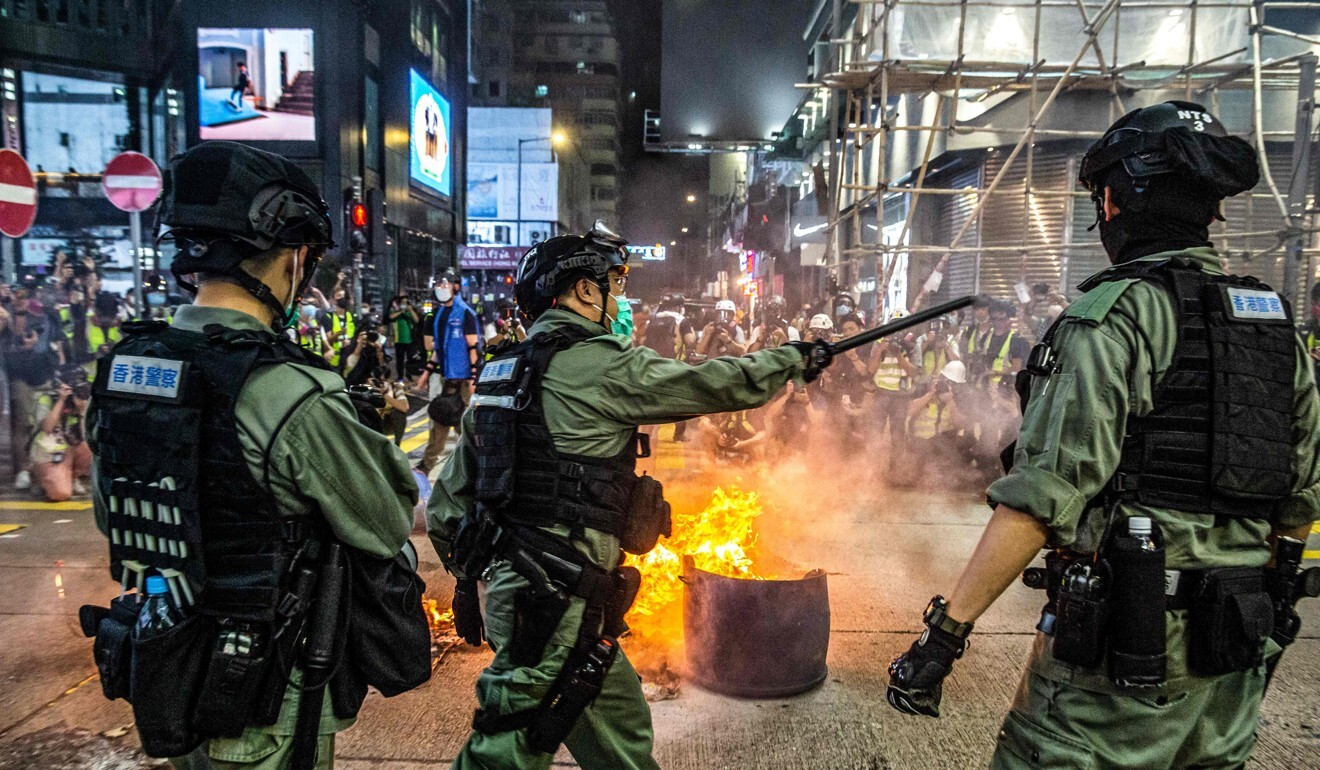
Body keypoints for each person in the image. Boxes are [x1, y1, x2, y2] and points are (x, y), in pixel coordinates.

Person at [886, 102, 1320, 768]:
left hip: (1122, 665)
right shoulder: (1272, 327)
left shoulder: (1110, 318)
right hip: (1232, 662)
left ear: (1118, 201)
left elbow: (1041, 498)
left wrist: (944, 638)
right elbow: (1299, 503)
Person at [427, 221, 831, 770]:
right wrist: (792, 360)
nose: (616, 298)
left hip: (532, 597)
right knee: (505, 747)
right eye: (610, 285)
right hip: (557, 601)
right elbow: (710, 384)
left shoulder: (498, 376)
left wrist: (469, 581)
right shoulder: (601, 364)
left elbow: (448, 505)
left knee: (620, 725)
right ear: (583, 290)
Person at [86, 141, 423, 770]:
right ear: (294, 260)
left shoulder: (125, 368)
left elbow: (114, 517)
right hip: (262, 687)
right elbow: (385, 520)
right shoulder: (289, 390)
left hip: (167, 658)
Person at [419, 268, 480, 472]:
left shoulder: (465, 313)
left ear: (455, 287)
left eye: (445, 284)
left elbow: (473, 348)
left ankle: (427, 468)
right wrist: (426, 374)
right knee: (449, 422)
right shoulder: (440, 314)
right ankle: (426, 469)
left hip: (463, 381)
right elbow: (439, 349)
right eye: (438, 285)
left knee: (453, 423)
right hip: (449, 378)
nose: (441, 288)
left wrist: (472, 379)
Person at [30, 363, 92, 502]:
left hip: (69, 448)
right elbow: (47, 428)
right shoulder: (47, 399)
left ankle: (72, 478)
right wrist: (61, 400)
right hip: (48, 450)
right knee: (61, 494)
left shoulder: (81, 400)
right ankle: (38, 476)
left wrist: (82, 412)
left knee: (90, 446)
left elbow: (87, 435)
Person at [387, 294, 422, 378]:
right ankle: (400, 377)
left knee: (411, 359)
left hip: (410, 340)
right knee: (400, 360)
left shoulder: (410, 312)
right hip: (399, 340)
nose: (404, 304)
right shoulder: (395, 311)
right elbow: (391, 317)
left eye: (406, 302)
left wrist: (411, 310)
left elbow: (417, 320)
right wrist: (401, 311)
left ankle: (409, 374)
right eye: (402, 302)